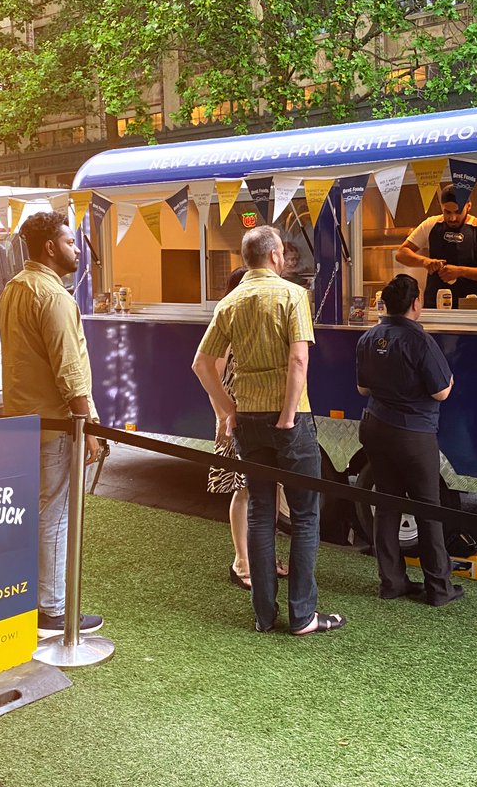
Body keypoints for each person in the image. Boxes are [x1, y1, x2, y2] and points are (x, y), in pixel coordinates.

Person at [192, 225, 346, 636]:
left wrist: (228, 410)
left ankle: (263, 615)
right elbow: (298, 362)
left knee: (261, 513)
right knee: (305, 515)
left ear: (247, 258)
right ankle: (302, 616)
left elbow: (202, 364)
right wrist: (289, 414)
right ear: (276, 255)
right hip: (288, 419)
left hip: (248, 419)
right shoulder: (293, 295)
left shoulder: (231, 301)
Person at [0, 211, 104, 638]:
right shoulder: (52, 295)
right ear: (50, 248)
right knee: (55, 515)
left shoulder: (13, 288)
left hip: (22, 420)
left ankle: (36, 601)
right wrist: (89, 424)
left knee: (35, 511)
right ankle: (53, 611)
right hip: (56, 424)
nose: (77, 250)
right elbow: (69, 370)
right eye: (71, 242)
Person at [356, 274, 462, 606]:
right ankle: (439, 589)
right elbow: (441, 391)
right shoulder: (420, 341)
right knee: (427, 507)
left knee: (387, 502)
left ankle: (392, 583)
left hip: (374, 426)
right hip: (413, 433)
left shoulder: (369, 338)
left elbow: (362, 388)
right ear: (417, 304)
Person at [206, 266, 289, 590]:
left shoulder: (251, 322)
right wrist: (226, 415)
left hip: (258, 417)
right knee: (245, 489)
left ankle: (263, 556)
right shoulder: (227, 322)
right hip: (235, 419)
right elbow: (210, 374)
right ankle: (241, 561)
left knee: (267, 488)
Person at [396, 182, 477, 309]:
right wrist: (425, 262)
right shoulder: (431, 224)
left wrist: (460, 271)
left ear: (469, 206)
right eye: (447, 212)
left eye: (458, 212)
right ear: (442, 207)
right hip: (434, 306)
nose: (452, 218)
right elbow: (401, 253)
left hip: (469, 307)